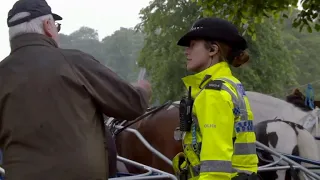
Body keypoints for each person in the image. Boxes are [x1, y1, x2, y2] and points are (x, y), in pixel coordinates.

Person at [0, 0, 152, 179]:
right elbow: (132, 104)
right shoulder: (74, 62)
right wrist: (142, 90)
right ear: (48, 26)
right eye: (57, 26)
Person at [172, 18, 259, 180]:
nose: (187, 51)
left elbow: (215, 168)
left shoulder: (213, 93)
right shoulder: (232, 84)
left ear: (212, 50)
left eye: (192, 45)